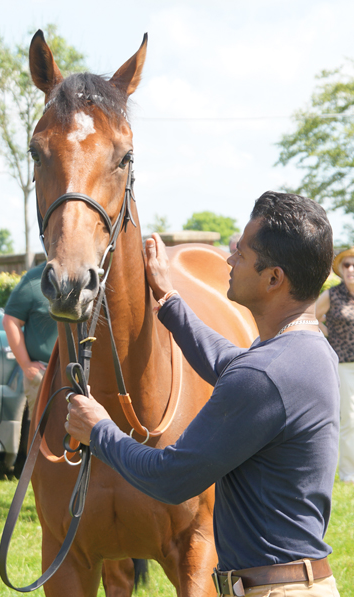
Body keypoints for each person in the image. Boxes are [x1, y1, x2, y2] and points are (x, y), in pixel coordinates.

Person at [65, 191, 340, 596]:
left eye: (242, 255)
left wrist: (99, 430)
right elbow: (232, 364)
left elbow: (171, 479)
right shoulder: (308, 351)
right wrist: (169, 300)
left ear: (273, 278)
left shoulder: (264, 374)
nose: (229, 261)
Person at [316, 247, 354, 483]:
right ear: (340, 270)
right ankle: (349, 473)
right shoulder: (332, 295)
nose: (351, 269)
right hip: (344, 364)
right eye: (346, 265)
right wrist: (327, 333)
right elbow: (312, 316)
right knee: (349, 419)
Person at [3, 262, 58, 416]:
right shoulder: (34, 279)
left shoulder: (89, 275)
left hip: (82, 373)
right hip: (44, 373)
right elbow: (10, 321)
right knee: (43, 432)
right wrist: (26, 364)